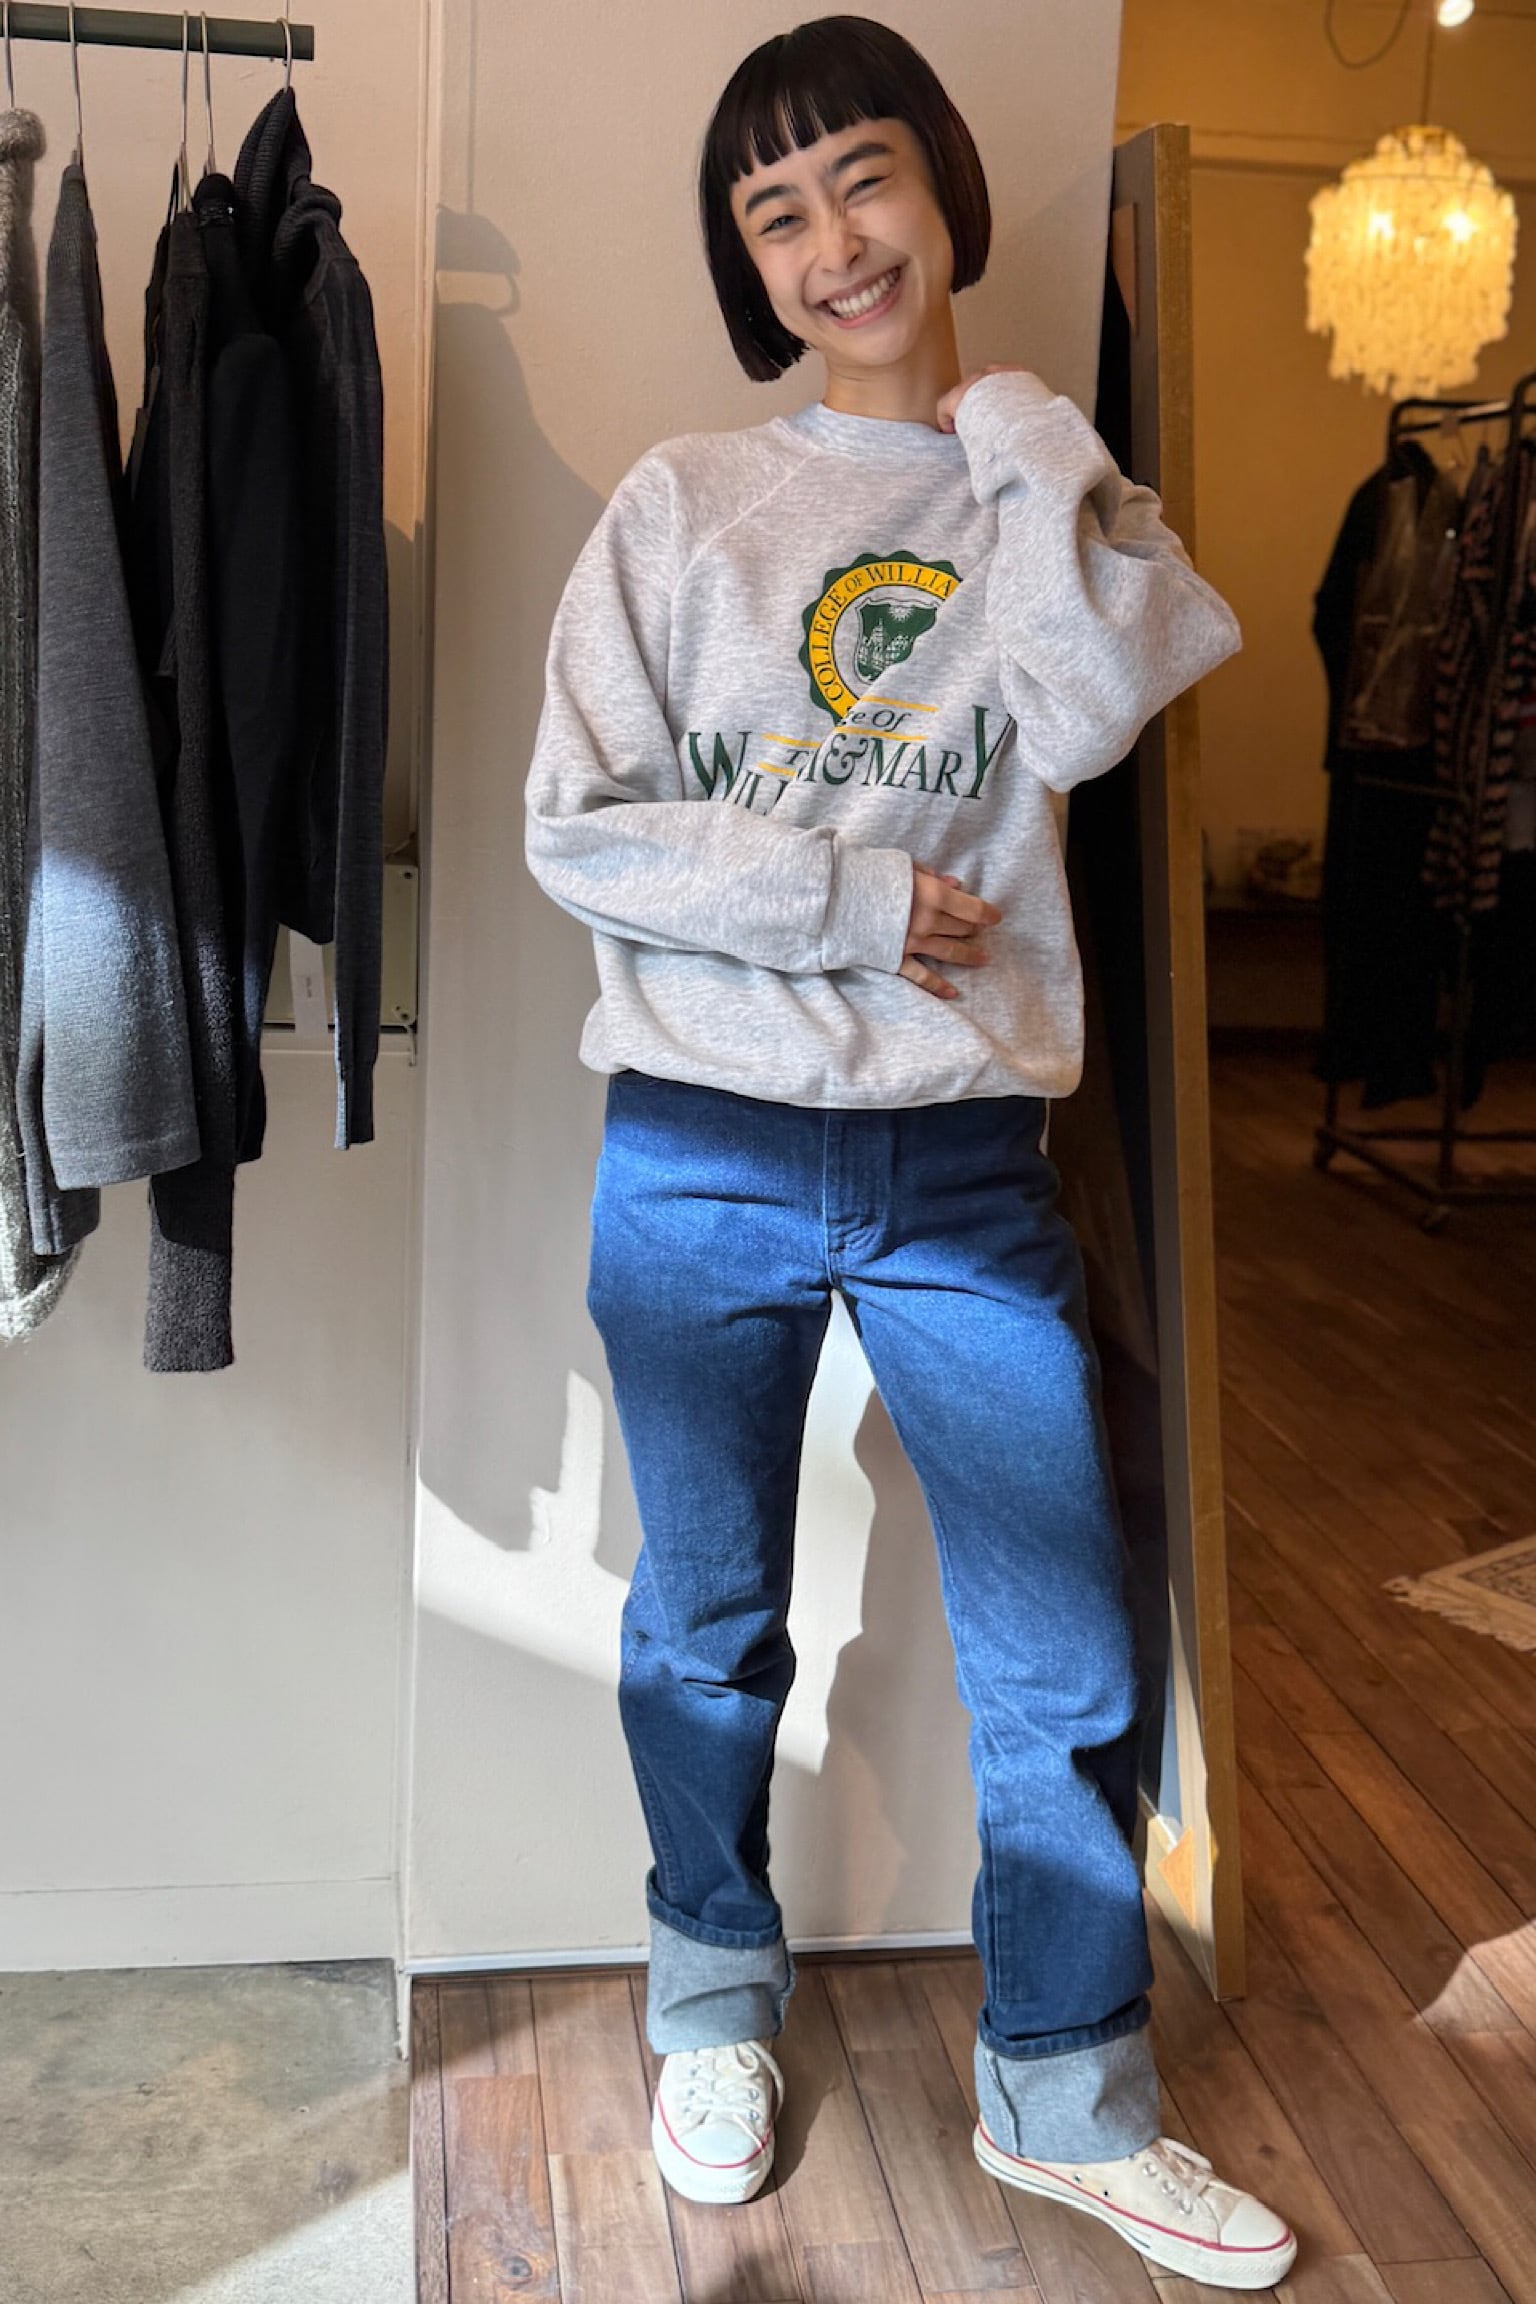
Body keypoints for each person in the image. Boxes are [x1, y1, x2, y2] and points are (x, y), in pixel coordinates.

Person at [525, 15, 1296, 2290]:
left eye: (863, 178)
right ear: (748, 269)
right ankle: (710, 2000)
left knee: (1063, 1646)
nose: (833, 243)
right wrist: (851, 898)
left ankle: (1068, 2092)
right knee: (705, 1623)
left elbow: (1093, 703)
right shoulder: (685, 503)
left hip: (965, 1164)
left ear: (945, 184)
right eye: (776, 215)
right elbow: (577, 825)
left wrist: (1021, 434)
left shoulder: (1057, 500)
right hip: (703, 1143)